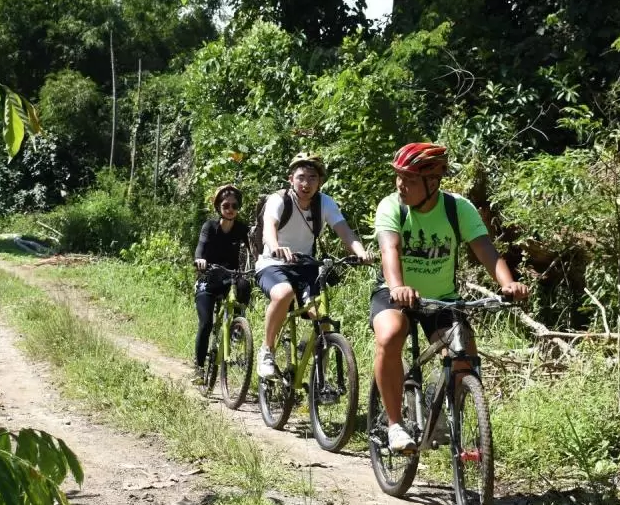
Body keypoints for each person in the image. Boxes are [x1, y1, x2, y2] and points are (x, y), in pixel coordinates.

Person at [371, 143, 529, 452]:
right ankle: (394, 425)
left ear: (433, 183)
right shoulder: (392, 206)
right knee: (390, 336)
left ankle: (442, 408)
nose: (402, 185)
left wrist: (509, 284)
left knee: (464, 352)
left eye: (411, 180)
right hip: (395, 292)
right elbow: (390, 249)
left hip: (441, 298)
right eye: (399, 177)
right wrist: (398, 287)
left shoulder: (457, 208)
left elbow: (485, 250)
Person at [256, 153, 370, 379]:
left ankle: (319, 375)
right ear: (291, 179)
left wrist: (361, 252)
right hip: (273, 263)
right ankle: (266, 351)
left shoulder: (325, 202)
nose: (306, 183)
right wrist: (276, 246)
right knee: (283, 293)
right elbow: (269, 226)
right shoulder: (279, 200)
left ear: (320, 182)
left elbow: (344, 231)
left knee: (321, 316)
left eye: (312, 178)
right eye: (300, 177)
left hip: (306, 266)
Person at [192, 184, 251, 383]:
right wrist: (200, 260)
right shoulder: (210, 227)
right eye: (226, 205)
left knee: (244, 285)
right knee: (206, 323)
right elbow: (201, 247)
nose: (230, 209)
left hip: (228, 278)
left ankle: (236, 327)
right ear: (218, 207)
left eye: (234, 205)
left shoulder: (242, 229)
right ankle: (199, 368)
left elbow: (255, 248)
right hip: (207, 279)